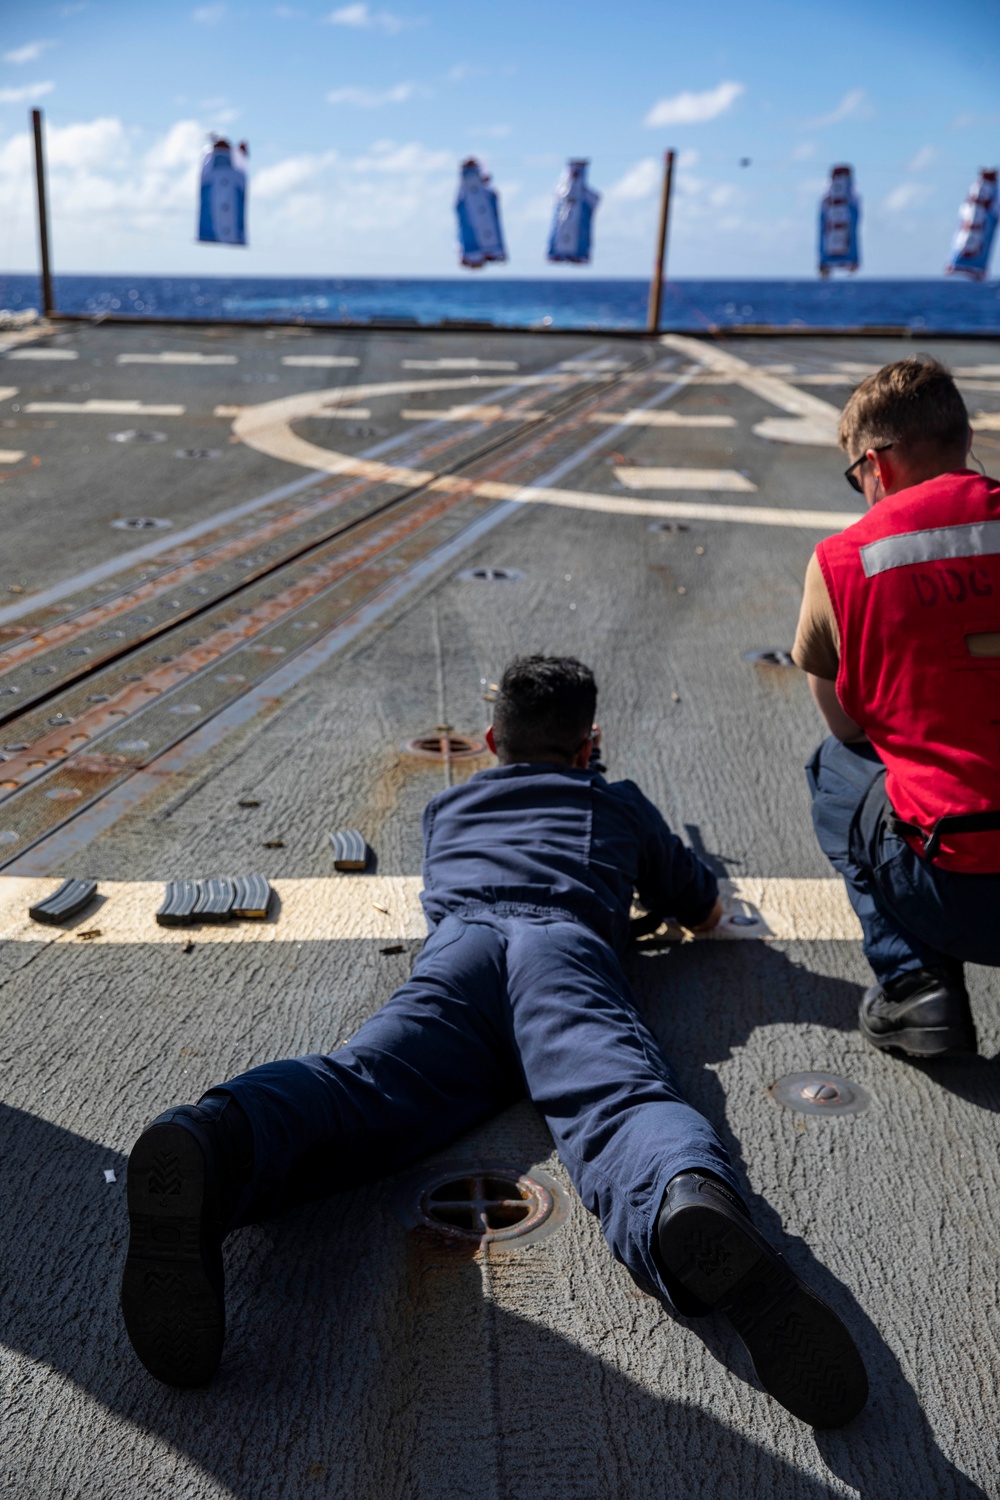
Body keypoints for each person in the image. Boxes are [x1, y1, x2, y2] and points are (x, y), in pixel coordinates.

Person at [121, 655, 867, 1427]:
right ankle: (680, 1197)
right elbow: (701, 909)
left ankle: (220, 1138)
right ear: (588, 743)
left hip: (462, 951)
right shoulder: (613, 801)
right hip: (562, 948)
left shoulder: (448, 810)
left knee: (367, 1080)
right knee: (615, 1097)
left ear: (490, 739)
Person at [793, 356, 1000, 1058]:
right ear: (963, 440)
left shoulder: (843, 560)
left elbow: (846, 727)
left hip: (950, 883)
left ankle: (917, 989)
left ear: (876, 467)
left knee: (836, 768)